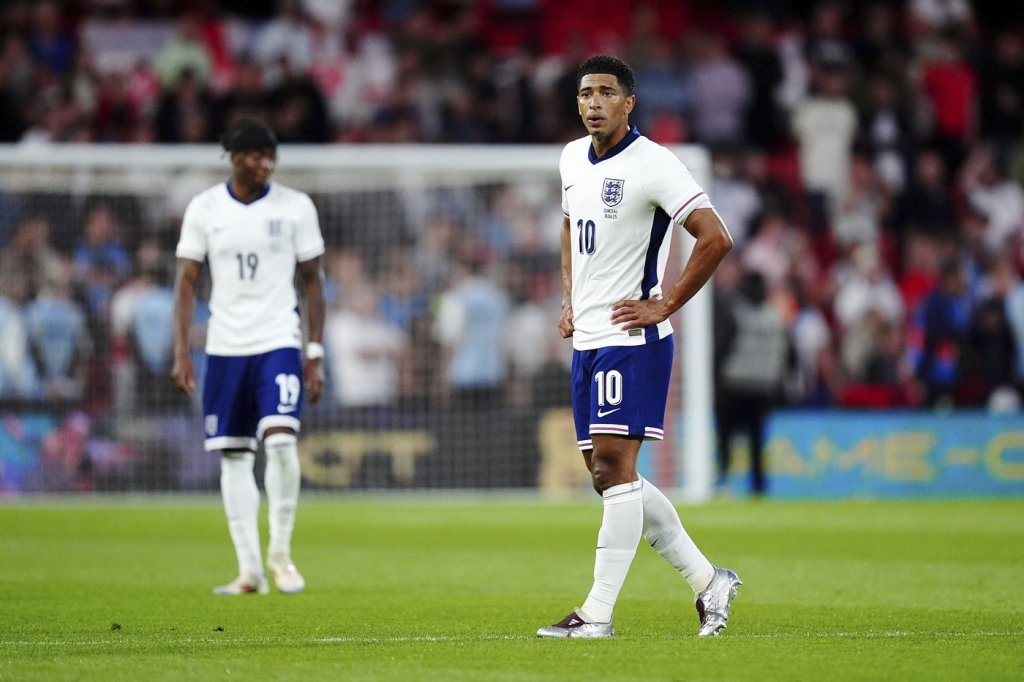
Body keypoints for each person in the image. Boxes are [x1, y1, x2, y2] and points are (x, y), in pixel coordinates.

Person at [537, 55, 739, 640]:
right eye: (585, 93)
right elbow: (570, 226)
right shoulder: (571, 158)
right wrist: (570, 297)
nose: (593, 102)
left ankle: (596, 614)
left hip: (633, 338)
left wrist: (665, 303)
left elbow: (715, 237)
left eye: (606, 92)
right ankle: (708, 581)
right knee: (606, 475)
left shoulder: (655, 163)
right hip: (589, 339)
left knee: (613, 467)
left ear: (629, 103)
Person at [171, 118, 326, 596]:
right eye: (258, 156)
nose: (266, 165)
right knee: (234, 457)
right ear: (235, 157)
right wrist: (181, 351)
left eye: (271, 157)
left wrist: (314, 351)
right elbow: (187, 281)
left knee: (280, 442)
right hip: (224, 347)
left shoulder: (296, 206)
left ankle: (280, 552)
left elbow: (313, 281)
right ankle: (250, 571)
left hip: (278, 339)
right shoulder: (205, 208)